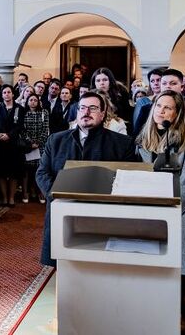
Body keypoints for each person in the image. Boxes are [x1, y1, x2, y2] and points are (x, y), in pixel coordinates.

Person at [37, 91, 137, 266]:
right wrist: (56, 194)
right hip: (62, 210)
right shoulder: (56, 140)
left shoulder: (122, 143)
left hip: (102, 215)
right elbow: (42, 173)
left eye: (93, 108)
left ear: (103, 113)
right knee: (64, 264)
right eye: (82, 108)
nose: (86, 112)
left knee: (98, 265)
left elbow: (127, 179)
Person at [135, 91, 185, 275]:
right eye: (158, 105)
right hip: (147, 215)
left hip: (179, 213)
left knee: (176, 275)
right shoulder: (141, 141)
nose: (161, 111)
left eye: (167, 108)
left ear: (177, 113)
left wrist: (166, 213)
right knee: (150, 274)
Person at [0, 85, 24, 206]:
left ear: (13, 94)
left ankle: (11, 198)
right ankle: (4, 197)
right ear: (2, 95)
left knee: (13, 173)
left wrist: (9, 135)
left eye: (9, 92)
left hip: (13, 144)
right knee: (1, 173)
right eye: (4, 92)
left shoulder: (19, 108)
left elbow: (19, 126)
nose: (7, 94)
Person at [22, 93, 49, 203]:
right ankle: (25, 192)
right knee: (27, 171)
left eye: (35, 100)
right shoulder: (24, 113)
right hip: (28, 146)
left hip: (41, 145)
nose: (33, 102)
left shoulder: (44, 112)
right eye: (31, 100)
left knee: (39, 169)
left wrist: (38, 142)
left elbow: (45, 129)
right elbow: (22, 130)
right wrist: (30, 143)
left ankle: (40, 192)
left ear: (38, 102)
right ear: (27, 101)